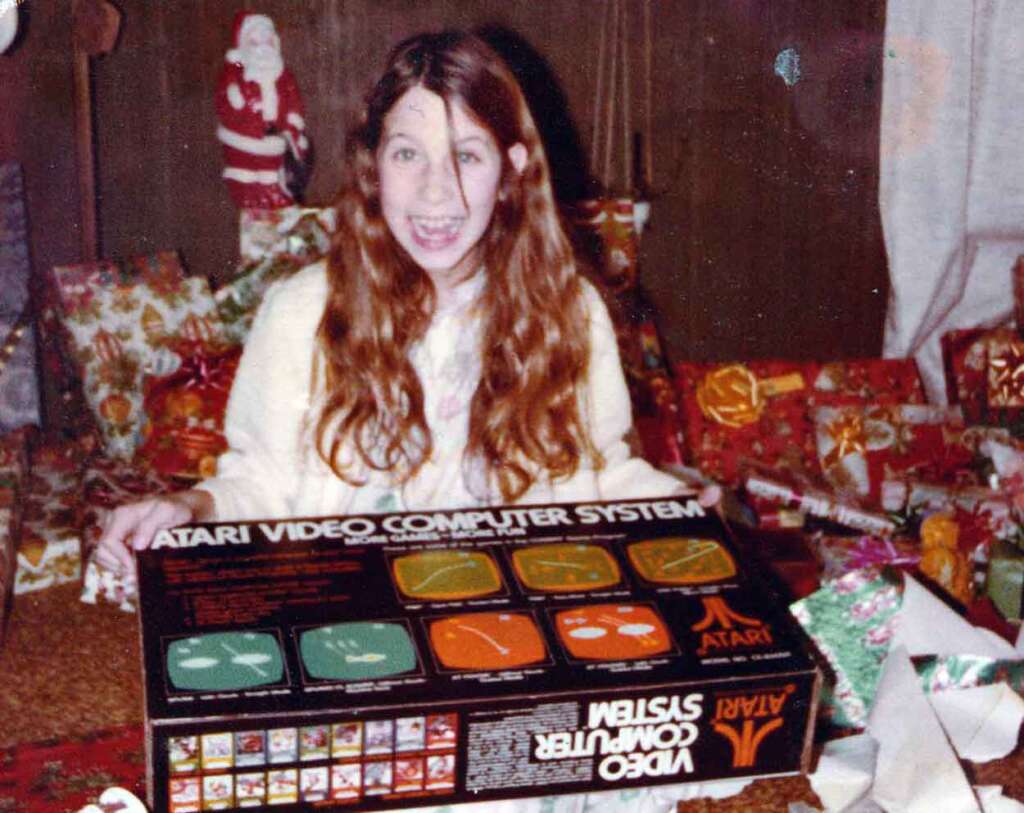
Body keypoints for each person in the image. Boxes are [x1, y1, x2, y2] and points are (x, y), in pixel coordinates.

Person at [97, 30, 712, 582]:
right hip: (352, 624)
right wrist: (187, 507)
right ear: (374, 165)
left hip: (515, 614)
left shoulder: (569, 311)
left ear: (511, 171)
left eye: (467, 156)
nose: (434, 190)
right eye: (407, 154)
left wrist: (683, 508)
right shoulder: (301, 311)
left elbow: (601, 473)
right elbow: (258, 483)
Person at [215, 11, 310, 209]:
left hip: (276, 137)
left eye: (267, 41)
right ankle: (249, 200)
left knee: (274, 173)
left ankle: (274, 196)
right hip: (243, 140)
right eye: (255, 43)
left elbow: (293, 102)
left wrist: (293, 122)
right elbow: (226, 104)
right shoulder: (236, 77)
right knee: (245, 174)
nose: (263, 48)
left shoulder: (284, 76)